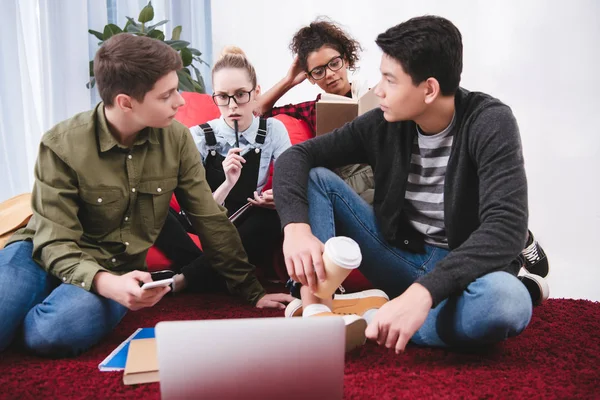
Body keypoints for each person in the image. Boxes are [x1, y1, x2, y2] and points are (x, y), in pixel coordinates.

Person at [0, 34, 290, 358]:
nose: (181, 102)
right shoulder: (61, 144)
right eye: (167, 95)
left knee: (49, 333)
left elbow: (210, 220)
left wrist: (253, 292)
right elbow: (53, 241)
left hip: (116, 268)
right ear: (126, 102)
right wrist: (101, 283)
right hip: (39, 253)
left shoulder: (177, 140)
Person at [273, 15, 547, 353]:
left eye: (390, 80)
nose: (378, 90)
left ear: (429, 89)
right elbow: (295, 158)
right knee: (319, 179)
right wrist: (295, 229)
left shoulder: (490, 122)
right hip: (400, 254)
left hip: (466, 269)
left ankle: (380, 316)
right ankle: (319, 308)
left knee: (506, 303)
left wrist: (423, 293)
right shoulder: (382, 123)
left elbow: (505, 229)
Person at [154, 47, 293, 295]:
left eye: (241, 95)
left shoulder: (273, 130)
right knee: (151, 208)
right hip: (204, 220)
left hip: (246, 224)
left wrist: (278, 197)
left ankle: (185, 279)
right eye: (222, 97)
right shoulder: (197, 135)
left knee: (274, 218)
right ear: (214, 97)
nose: (232, 106)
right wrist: (226, 184)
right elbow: (193, 212)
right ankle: (212, 274)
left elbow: (292, 184)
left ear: (256, 92)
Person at [256, 18, 376, 204]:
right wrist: (288, 80)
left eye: (334, 63)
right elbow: (257, 112)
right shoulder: (314, 109)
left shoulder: (374, 96)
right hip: (343, 191)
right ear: (310, 77)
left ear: (345, 60)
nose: (329, 74)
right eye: (318, 71)